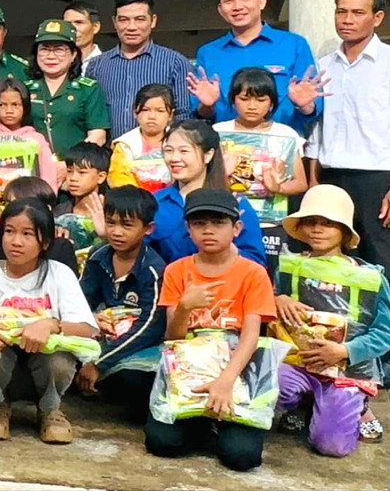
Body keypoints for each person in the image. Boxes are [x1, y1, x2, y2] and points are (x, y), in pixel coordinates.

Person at [145, 188, 276, 472]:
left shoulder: (253, 273)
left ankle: (220, 425)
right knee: (161, 443)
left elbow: (251, 336)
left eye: (218, 223)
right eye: (199, 223)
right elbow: (173, 338)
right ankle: (203, 424)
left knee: (241, 457)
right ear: (188, 229)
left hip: (236, 370)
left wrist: (226, 380)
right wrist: (184, 307)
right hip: (188, 370)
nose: (208, 230)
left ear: (236, 228)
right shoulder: (177, 271)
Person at [0, 198, 98, 444]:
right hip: (3, 369)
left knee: (60, 359)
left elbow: (86, 329)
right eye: (9, 231)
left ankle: (50, 409)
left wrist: (52, 324)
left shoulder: (59, 274)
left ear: (46, 241)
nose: (16, 241)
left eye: (27, 234)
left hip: (44, 367)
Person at [275, 184, 390, 455]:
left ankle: (357, 405)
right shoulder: (289, 266)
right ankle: (304, 402)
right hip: (297, 364)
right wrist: (277, 299)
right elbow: (266, 303)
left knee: (331, 446)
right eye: (311, 221)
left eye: (328, 223)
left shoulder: (370, 278)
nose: (318, 229)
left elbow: (385, 332)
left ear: (345, 231)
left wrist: (345, 351)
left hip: (346, 370)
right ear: (300, 227)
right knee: (268, 383)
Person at [307, 0, 390, 270]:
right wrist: (313, 180)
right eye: (341, 12)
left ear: (377, 17)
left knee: (380, 259)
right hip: (330, 175)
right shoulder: (322, 66)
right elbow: (316, 128)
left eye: (357, 12)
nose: (347, 20)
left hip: (377, 179)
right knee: (331, 262)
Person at [188, 0, 322, 134]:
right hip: (227, 144)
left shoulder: (294, 45)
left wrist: (304, 104)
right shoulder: (208, 53)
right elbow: (200, 114)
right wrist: (206, 105)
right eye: (229, 1)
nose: (237, 7)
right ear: (221, 9)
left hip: (281, 142)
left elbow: (313, 109)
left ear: (261, 2)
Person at [76, 185, 167, 422]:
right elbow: (79, 301)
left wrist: (100, 363)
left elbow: (150, 327)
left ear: (148, 229)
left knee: (133, 378)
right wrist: (91, 318)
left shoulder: (153, 269)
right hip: (105, 333)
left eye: (127, 225)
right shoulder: (98, 256)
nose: (116, 232)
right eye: (111, 223)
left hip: (139, 343)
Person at [152, 120, 265, 266]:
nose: (174, 158)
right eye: (168, 151)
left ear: (208, 155)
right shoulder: (155, 203)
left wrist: (224, 244)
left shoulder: (235, 204)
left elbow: (256, 263)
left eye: (184, 151)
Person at [88, 0, 193, 137]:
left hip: (158, 150)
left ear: (153, 21)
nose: (131, 27)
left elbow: (183, 114)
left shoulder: (175, 62)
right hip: (107, 149)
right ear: (114, 22)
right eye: (124, 20)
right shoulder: (96, 66)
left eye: (140, 19)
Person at [213, 67, 309, 210]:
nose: (252, 106)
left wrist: (278, 188)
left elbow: (300, 183)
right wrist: (222, 174)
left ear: (271, 103)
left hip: (271, 216)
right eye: (244, 99)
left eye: (261, 100)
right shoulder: (217, 132)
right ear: (233, 99)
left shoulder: (285, 134)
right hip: (224, 212)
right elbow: (203, 179)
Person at [25, 19, 110, 154]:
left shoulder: (88, 89)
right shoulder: (25, 89)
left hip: (75, 165)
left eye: (59, 50)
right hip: (32, 164)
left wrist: (72, 162)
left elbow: (98, 135)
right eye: (44, 49)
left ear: (73, 54)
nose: (51, 56)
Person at [0, 77, 58, 194]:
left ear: (25, 106)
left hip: (30, 202)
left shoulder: (36, 139)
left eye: (15, 105)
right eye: (2, 105)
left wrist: (48, 199)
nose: (9, 110)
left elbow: (48, 175)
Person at [63, 1, 105, 77]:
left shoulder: (109, 64)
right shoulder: (54, 64)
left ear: (95, 27)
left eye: (79, 22)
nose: (73, 29)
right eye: (67, 24)